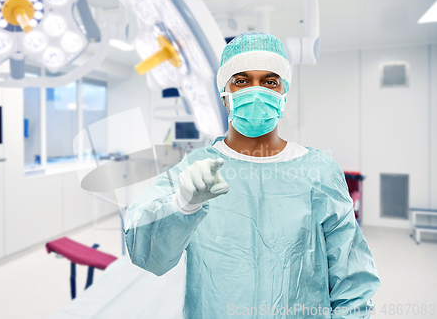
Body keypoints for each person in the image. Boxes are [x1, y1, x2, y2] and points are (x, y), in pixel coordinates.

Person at [123, 33, 380, 318]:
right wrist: (183, 204)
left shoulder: (319, 171)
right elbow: (145, 253)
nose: (256, 92)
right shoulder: (194, 171)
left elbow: (351, 276)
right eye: (242, 81)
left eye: (270, 82)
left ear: (284, 94)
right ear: (224, 95)